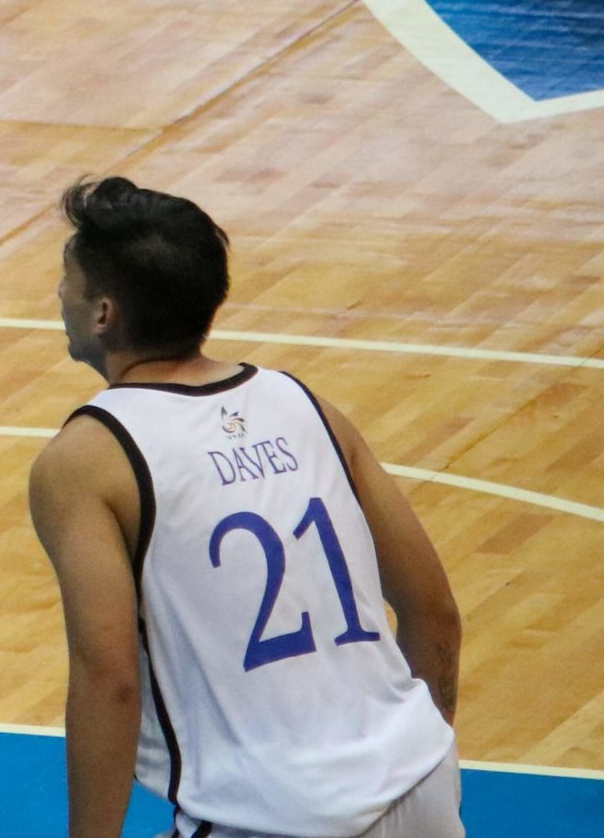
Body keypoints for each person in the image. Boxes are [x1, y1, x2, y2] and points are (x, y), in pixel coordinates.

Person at [29, 177, 464, 838]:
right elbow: (435, 615)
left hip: (272, 813)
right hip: (420, 782)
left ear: (103, 313)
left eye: (69, 279)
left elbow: (109, 676)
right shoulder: (306, 405)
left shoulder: (86, 459)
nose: (59, 293)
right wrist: (400, 771)